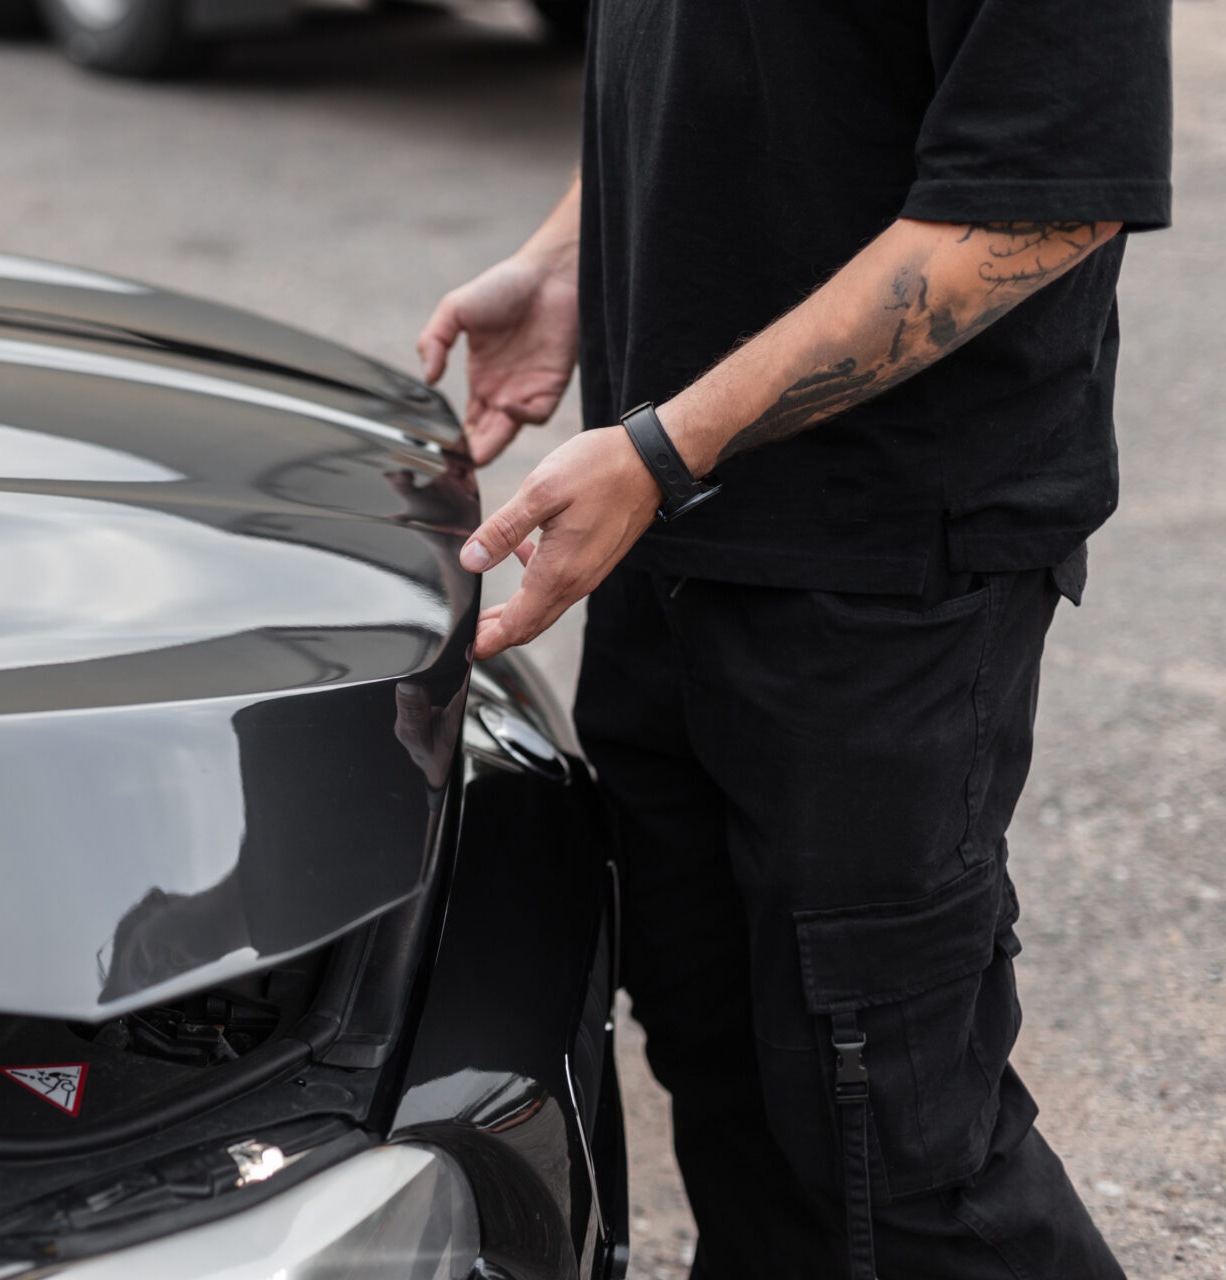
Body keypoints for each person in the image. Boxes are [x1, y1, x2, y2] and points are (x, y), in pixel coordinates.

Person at [416, 3, 1172, 1278]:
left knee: (888, 1129)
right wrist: (567, 256)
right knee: (718, 1059)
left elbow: (1036, 206)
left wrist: (666, 449)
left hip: (879, 571)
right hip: (669, 523)